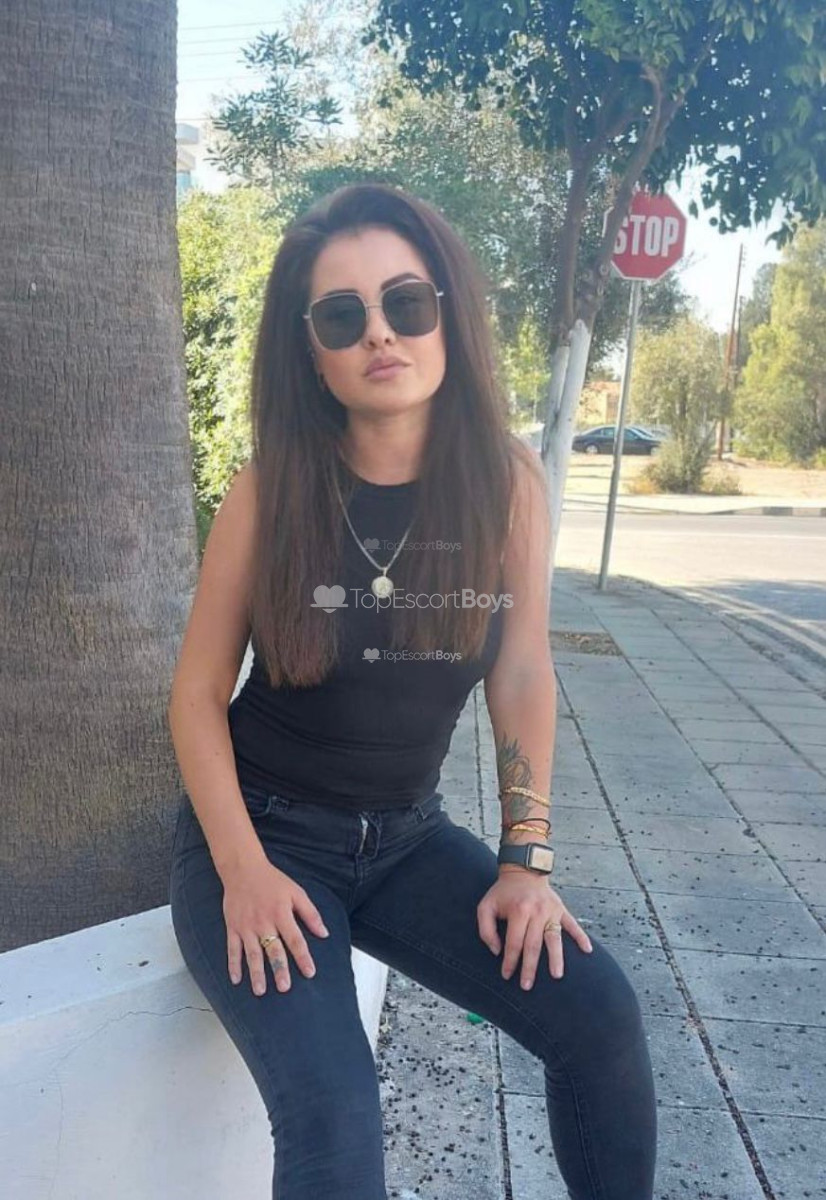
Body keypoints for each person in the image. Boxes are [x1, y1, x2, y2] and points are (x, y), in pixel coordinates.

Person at [167, 182, 657, 1200]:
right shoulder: (269, 491)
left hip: (406, 842)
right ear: (311, 351)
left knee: (600, 1017)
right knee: (336, 1125)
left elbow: (521, 671)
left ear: (448, 313)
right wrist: (242, 872)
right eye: (341, 316)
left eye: (405, 303)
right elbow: (198, 694)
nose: (379, 333)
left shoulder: (506, 484)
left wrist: (525, 861)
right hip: (261, 840)